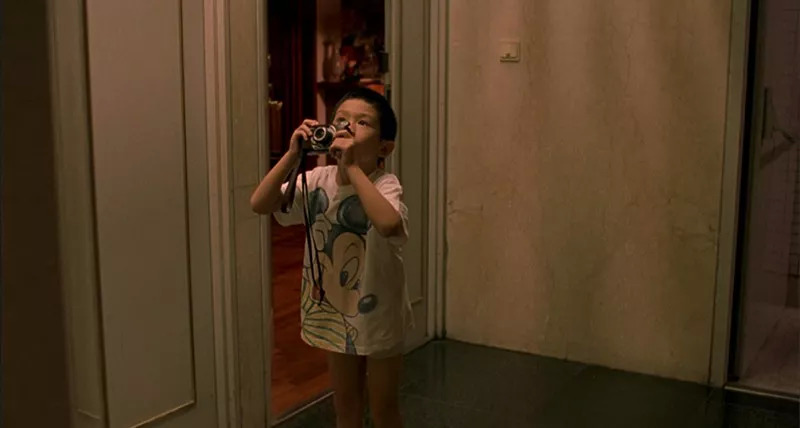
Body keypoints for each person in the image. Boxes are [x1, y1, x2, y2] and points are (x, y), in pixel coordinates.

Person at [250, 87, 411, 428]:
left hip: (380, 313)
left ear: (384, 148)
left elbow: (388, 223)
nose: (347, 126)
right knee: (346, 408)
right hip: (336, 312)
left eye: (362, 122)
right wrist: (292, 155)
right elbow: (260, 203)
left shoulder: (385, 184)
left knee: (384, 411)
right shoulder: (316, 180)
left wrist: (352, 169)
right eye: (341, 119)